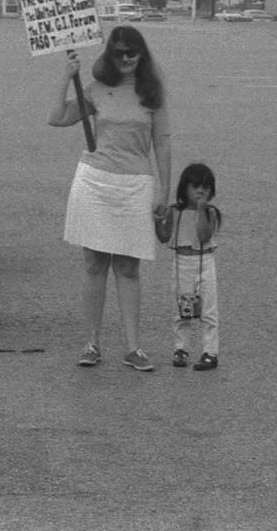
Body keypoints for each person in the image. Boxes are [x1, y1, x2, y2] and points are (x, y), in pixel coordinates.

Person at [50, 25, 171, 372]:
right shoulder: (96, 89)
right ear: (109, 55)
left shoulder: (152, 94)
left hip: (135, 184)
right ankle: (91, 343)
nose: (126, 59)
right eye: (118, 53)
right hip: (95, 180)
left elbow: (162, 143)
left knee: (128, 268)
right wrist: (65, 77)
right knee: (94, 264)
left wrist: (164, 190)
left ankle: (133, 348)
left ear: (142, 55)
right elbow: (57, 118)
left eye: (132, 52)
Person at [155, 163, 223, 371]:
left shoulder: (210, 213)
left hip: (204, 262)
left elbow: (204, 236)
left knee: (208, 310)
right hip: (182, 263)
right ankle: (181, 348)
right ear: (185, 188)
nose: (200, 191)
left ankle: (210, 351)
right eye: (195, 186)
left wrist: (201, 210)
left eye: (205, 187)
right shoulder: (175, 212)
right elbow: (164, 237)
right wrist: (158, 221)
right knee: (181, 308)